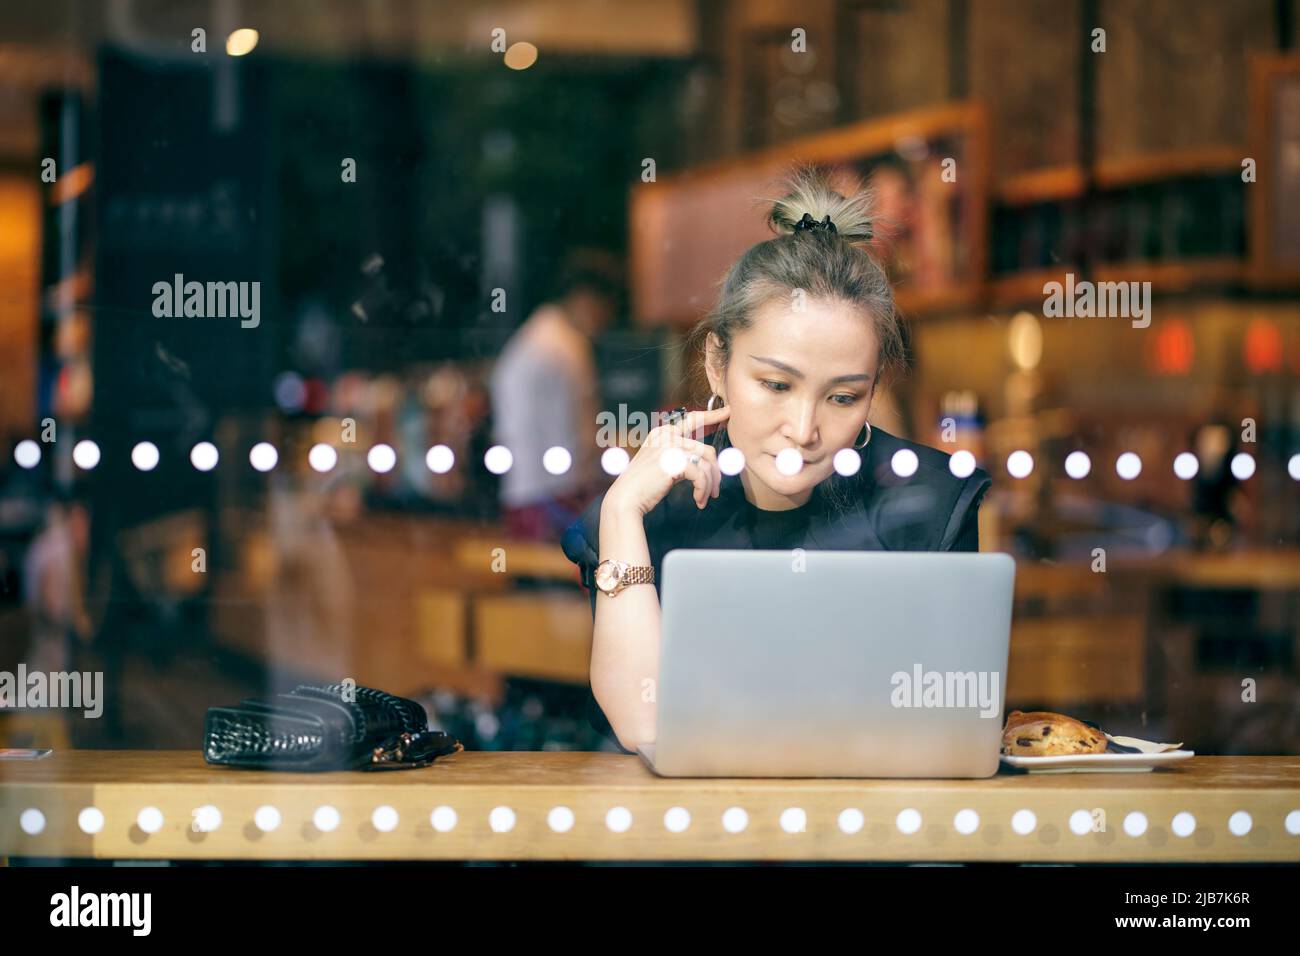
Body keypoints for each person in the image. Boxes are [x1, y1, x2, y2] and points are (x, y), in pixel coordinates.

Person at [561, 164, 992, 754]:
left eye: (843, 397)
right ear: (718, 365)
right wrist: (621, 514)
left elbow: (950, 734)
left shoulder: (929, 503)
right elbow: (644, 725)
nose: (805, 429)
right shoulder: (654, 513)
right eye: (776, 385)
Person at [489, 248, 622, 541]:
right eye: (605, 310)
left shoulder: (532, 338)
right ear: (586, 298)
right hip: (555, 495)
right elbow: (582, 436)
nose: (604, 322)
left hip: (520, 491)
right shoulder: (567, 346)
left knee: (533, 583)